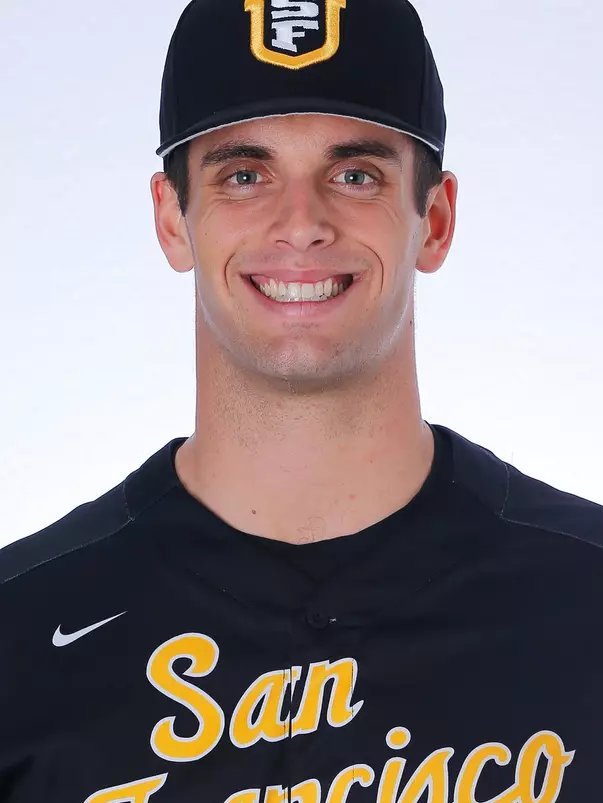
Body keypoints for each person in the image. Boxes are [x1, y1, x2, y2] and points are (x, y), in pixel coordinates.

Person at [1, 0, 601, 800]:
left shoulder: (584, 600)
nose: (301, 223)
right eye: (244, 175)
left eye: (354, 174)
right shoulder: (21, 633)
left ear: (435, 219)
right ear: (172, 220)